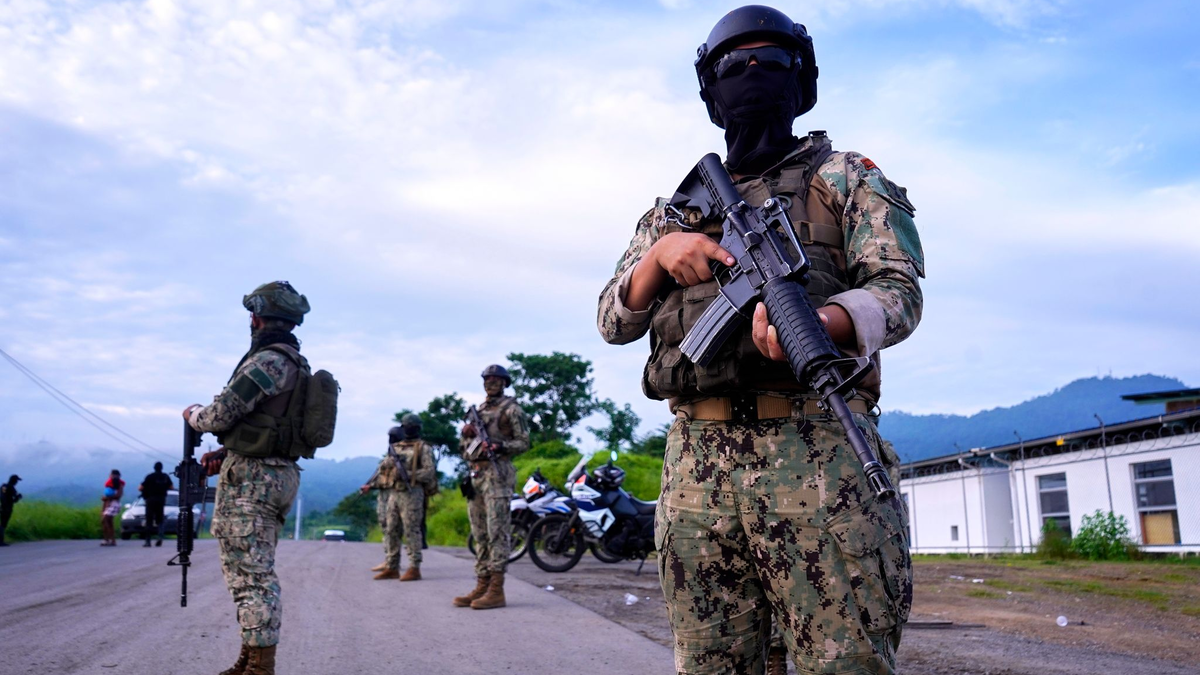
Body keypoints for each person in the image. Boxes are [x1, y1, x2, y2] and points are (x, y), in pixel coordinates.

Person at [596, 6, 923, 674]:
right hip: (695, 473)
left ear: (799, 81)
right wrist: (659, 258)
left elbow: (899, 291)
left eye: (770, 61)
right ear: (711, 91)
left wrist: (828, 323)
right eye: (734, 65)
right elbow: (612, 321)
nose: (752, 75)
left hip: (821, 454)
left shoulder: (847, 178)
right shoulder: (671, 213)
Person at [182, 281, 314, 675]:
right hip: (275, 472)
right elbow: (269, 426)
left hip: (254, 482)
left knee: (252, 579)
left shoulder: (268, 361)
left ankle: (260, 667)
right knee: (248, 573)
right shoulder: (295, 362)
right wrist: (227, 453)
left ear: (258, 317)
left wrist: (192, 415)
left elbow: (219, 414)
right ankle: (250, 658)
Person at [452, 364, 529, 610]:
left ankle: (497, 589)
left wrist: (500, 447)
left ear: (505, 382)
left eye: (497, 379)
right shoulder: (479, 410)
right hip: (477, 473)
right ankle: (482, 584)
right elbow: (465, 450)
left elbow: (524, 442)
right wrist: (466, 434)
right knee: (479, 533)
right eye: (488, 379)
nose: (491, 382)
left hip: (498, 473)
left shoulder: (512, 409)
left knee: (497, 531)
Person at [362, 415, 436, 581]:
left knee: (411, 530)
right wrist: (373, 485)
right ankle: (392, 566)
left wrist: (408, 475)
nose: (408, 428)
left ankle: (414, 567)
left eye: (411, 426)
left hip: (412, 493)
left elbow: (429, 472)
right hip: (394, 493)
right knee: (391, 529)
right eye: (406, 426)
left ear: (417, 428)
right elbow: (384, 472)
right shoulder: (397, 447)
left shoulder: (423, 448)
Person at [139, 461, 174, 547]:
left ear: (154, 468)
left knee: (149, 520)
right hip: (161, 499)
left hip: (150, 500)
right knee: (160, 520)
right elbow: (171, 487)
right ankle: (160, 537)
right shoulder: (165, 477)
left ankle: (148, 541)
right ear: (161, 468)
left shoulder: (150, 477)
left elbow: (140, 488)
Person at [100, 470, 124, 546]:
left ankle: (108, 539)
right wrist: (103, 508)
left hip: (114, 504)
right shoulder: (109, 484)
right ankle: (110, 540)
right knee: (107, 522)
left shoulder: (119, 484)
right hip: (108, 505)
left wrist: (107, 498)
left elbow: (119, 495)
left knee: (105, 520)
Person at [0, 474, 22, 546]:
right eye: (17, 481)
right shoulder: (11, 488)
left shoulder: (3, 486)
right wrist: (19, 497)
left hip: (1, 506)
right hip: (7, 508)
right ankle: (1, 541)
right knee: (3, 524)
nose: (17, 482)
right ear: (14, 481)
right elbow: (14, 500)